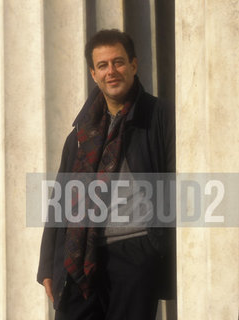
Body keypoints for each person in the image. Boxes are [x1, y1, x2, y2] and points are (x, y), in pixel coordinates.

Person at [37, 29, 175, 320]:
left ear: (134, 65)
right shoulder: (80, 133)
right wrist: (48, 263)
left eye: (119, 62)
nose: (111, 71)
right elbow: (59, 199)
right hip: (80, 257)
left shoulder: (160, 115)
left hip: (136, 253)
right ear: (93, 74)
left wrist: (157, 249)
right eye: (103, 65)